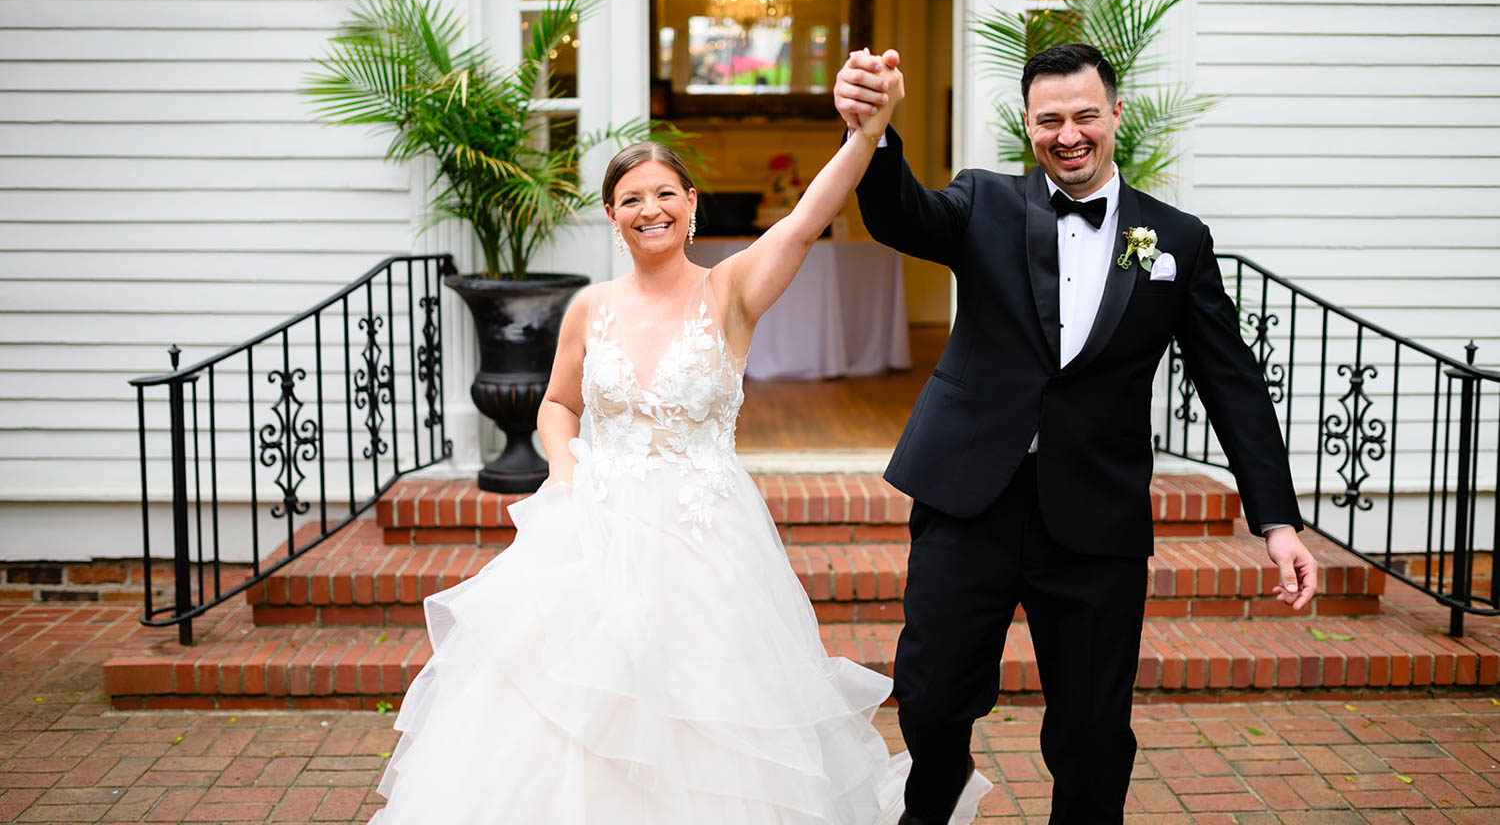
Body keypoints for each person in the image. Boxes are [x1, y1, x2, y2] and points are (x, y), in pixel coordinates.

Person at [371, 58, 990, 823]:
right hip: (592, 533)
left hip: (706, 544)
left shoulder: (730, 290)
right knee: (570, 714)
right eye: (631, 198)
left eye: (665, 193)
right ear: (611, 215)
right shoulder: (588, 309)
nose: (650, 209)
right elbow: (558, 405)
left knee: (708, 719)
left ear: (691, 205)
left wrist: (867, 132)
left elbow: (804, 219)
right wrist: (562, 463)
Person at [834, 43, 1319, 824]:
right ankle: (933, 801)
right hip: (970, 500)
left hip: (1096, 514)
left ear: (1115, 115)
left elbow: (1231, 382)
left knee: (1094, 729)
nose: (1069, 134)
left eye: (1085, 115)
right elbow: (899, 213)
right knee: (929, 701)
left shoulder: (1178, 240)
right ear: (1028, 126)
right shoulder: (983, 201)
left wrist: (1277, 518)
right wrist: (876, 132)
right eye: (1050, 119)